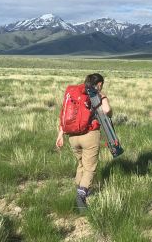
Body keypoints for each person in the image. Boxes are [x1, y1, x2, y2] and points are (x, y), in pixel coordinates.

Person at [55, 73, 112, 212]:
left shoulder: (74, 93)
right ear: (99, 84)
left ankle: (79, 189)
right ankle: (81, 196)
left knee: (81, 164)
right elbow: (107, 111)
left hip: (72, 137)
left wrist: (60, 134)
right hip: (89, 135)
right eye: (101, 85)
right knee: (90, 168)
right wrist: (103, 96)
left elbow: (64, 113)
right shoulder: (94, 94)